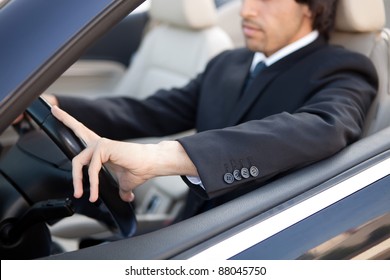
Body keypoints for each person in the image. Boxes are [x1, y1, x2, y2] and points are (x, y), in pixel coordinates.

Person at [47, 0, 378, 219]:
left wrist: (159, 158)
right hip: (186, 225)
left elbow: (323, 127)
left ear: (310, 7)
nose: (246, 11)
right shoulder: (228, 62)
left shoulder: (344, 68)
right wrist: (57, 106)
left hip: (247, 238)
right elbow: (150, 111)